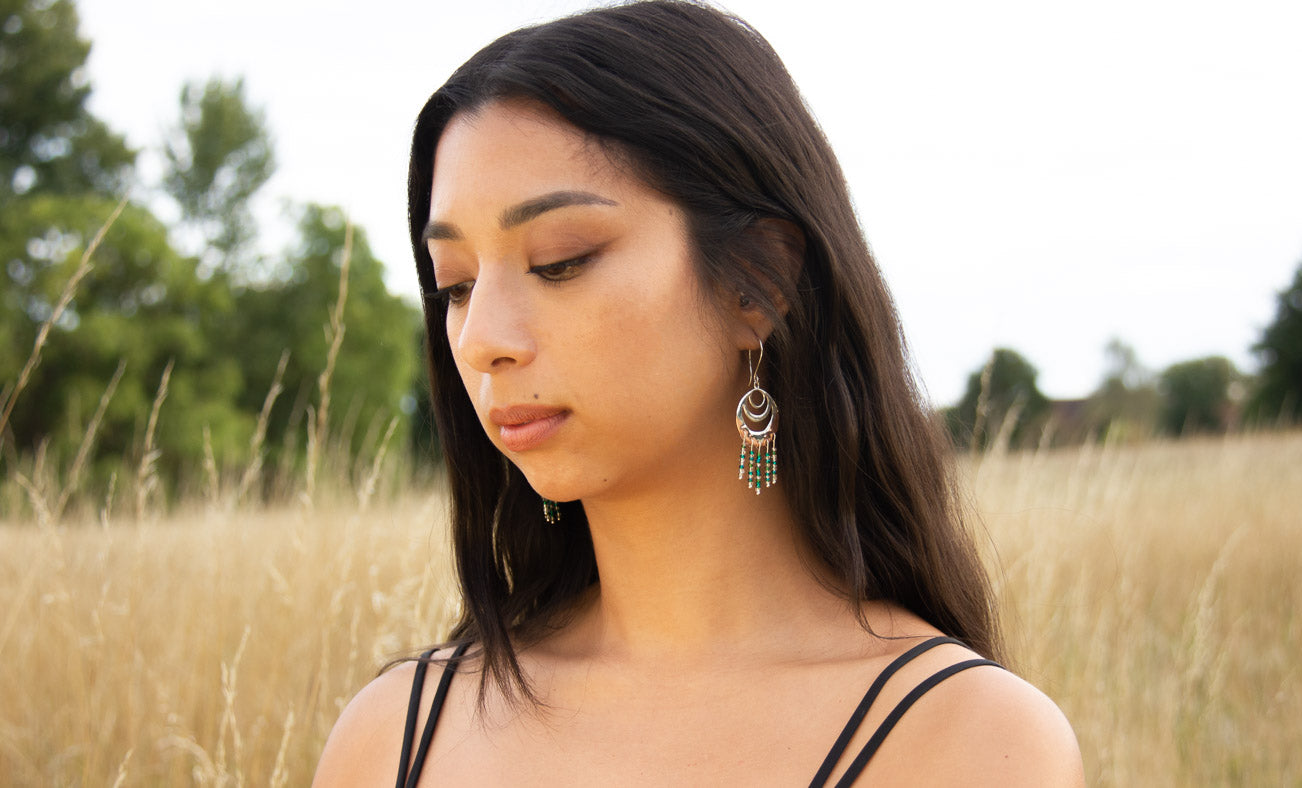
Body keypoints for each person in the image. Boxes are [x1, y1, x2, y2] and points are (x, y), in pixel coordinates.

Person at [314, 1, 1082, 784]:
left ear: (759, 282)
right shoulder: (393, 736)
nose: (482, 338)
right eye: (457, 284)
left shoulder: (967, 742)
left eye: (560, 261)